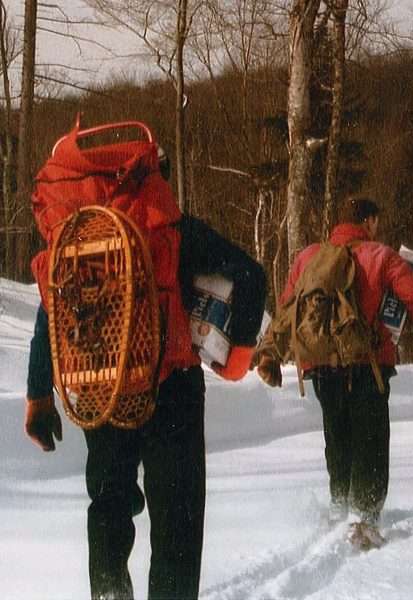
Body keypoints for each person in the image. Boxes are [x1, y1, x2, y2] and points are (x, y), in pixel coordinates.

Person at [24, 148, 266, 599]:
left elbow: (50, 311)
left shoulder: (73, 238)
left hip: (100, 384)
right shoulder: (169, 226)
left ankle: (111, 593)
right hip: (170, 389)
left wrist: (38, 396)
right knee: (177, 517)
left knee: (110, 504)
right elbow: (251, 275)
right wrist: (238, 357)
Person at [256, 196, 413, 550]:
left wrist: (272, 352)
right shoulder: (380, 255)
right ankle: (364, 519)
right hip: (368, 364)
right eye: (375, 222)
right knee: (371, 440)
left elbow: (288, 305)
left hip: (320, 366)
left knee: (338, 438)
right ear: (369, 221)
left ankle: (339, 508)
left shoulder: (308, 257)